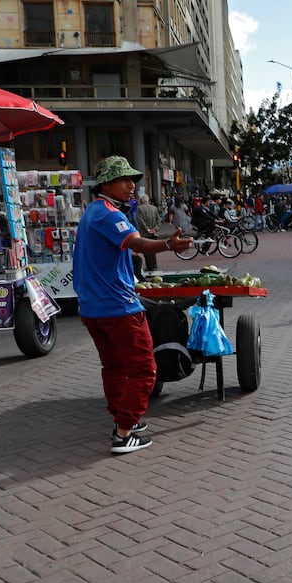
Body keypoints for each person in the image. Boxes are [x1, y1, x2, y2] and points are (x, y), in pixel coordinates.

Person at [74, 156, 192, 454]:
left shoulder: (92, 212)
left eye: (132, 180)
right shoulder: (109, 214)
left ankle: (122, 419)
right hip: (118, 307)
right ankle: (125, 433)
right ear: (106, 184)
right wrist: (168, 244)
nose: (131, 186)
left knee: (113, 366)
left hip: (93, 307)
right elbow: (136, 243)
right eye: (124, 180)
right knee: (144, 370)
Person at [136, 193, 162, 273]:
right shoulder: (154, 208)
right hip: (153, 233)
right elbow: (159, 220)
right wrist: (155, 229)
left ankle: (149, 266)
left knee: (146, 250)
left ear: (141, 200)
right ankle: (154, 264)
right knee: (153, 249)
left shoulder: (139, 208)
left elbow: (140, 220)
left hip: (144, 233)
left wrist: (147, 229)